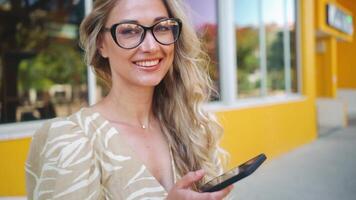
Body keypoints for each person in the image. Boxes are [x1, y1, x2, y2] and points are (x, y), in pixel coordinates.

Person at [25, 0, 233, 199]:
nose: (151, 46)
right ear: (101, 44)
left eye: (161, 27)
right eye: (129, 31)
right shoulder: (71, 140)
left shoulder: (193, 128)